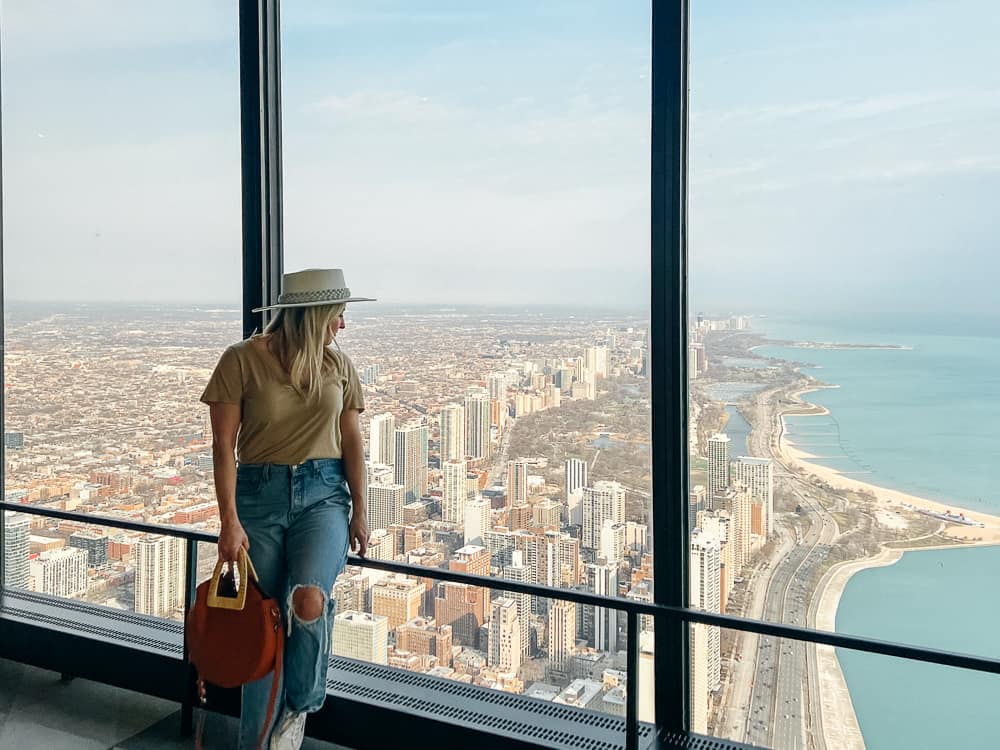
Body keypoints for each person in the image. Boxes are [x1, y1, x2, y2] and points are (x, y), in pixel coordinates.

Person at [200, 268, 374, 750]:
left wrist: (360, 510)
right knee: (265, 625)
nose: (343, 325)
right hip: (260, 493)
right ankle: (255, 743)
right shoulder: (240, 360)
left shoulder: (339, 367)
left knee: (308, 600)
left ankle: (299, 706)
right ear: (314, 314)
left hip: (323, 496)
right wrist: (228, 521)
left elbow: (353, 441)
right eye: (338, 313)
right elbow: (222, 445)